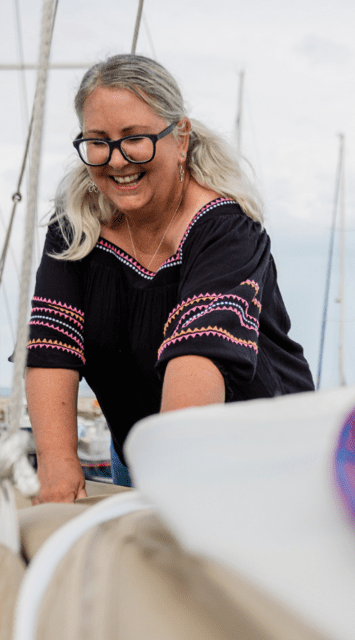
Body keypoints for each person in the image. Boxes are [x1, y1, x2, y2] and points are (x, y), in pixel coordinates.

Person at [25, 54, 314, 503]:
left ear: (180, 137)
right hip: (142, 454)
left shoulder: (227, 228)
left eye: (135, 138)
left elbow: (198, 353)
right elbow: (52, 345)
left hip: (265, 461)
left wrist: (167, 488)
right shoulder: (73, 228)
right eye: (98, 142)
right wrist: (58, 465)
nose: (117, 160)